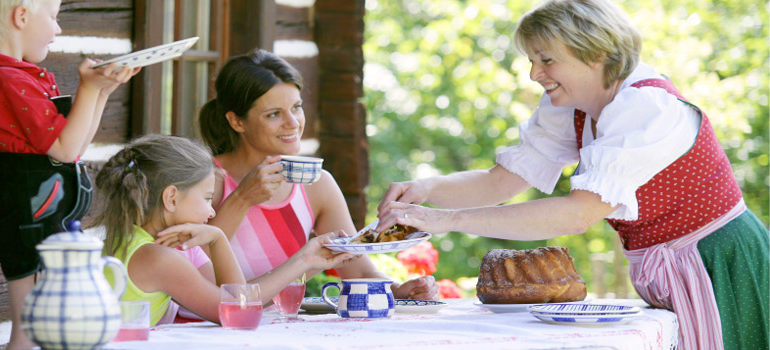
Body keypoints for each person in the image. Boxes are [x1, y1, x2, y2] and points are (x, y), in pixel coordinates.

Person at [375, 0, 768, 349]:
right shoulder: (573, 107)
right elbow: (500, 182)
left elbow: (577, 214)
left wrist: (445, 221)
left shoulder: (647, 108)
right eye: (532, 60)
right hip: (675, 272)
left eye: (547, 60)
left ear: (595, 54)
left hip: (724, 264)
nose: (534, 73)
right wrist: (425, 190)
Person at [0, 0, 140, 348]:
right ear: (21, 16)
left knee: (44, 323)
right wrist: (88, 88)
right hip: (26, 219)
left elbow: (76, 145)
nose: (57, 29)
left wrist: (101, 91)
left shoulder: (16, 77)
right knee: (30, 329)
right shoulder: (6, 80)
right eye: (54, 18)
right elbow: (65, 149)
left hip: (41, 213)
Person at [198, 49, 439, 300]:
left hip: (285, 328)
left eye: (296, 107)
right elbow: (195, 269)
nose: (293, 123)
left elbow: (358, 270)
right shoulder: (206, 181)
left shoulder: (317, 185)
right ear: (237, 122)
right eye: (274, 114)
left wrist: (400, 291)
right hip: (214, 327)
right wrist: (241, 199)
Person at [94, 134, 355, 325]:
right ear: (171, 198)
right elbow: (240, 314)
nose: (211, 211)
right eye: (207, 198)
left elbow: (239, 297)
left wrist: (218, 239)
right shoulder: (157, 257)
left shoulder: (164, 245)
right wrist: (304, 260)